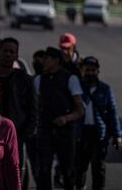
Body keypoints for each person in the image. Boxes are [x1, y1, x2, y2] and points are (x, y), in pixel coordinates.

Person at [34, 47, 84, 190]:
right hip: (45, 131)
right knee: (43, 169)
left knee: (68, 171)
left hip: (65, 132)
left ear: (56, 61)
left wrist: (66, 118)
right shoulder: (39, 80)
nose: (43, 61)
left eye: (47, 58)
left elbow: (80, 110)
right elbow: (36, 105)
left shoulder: (71, 79)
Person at [75, 57, 122, 190]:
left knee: (98, 167)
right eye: (87, 70)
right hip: (81, 133)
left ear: (98, 72)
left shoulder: (105, 89)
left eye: (93, 70)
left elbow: (113, 112)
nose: (90, 73)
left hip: (99, 134)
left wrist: (117, 135)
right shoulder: (76, 87)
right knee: (79, 166)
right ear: (82, 71)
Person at [0, 37, 36, 176]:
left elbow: (33, 110)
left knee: (15, 176)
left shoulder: (25, 80)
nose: (8, 54)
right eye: (5, 51)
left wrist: (23, 135)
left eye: (12, 52)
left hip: (17, 138)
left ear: (16, 56)